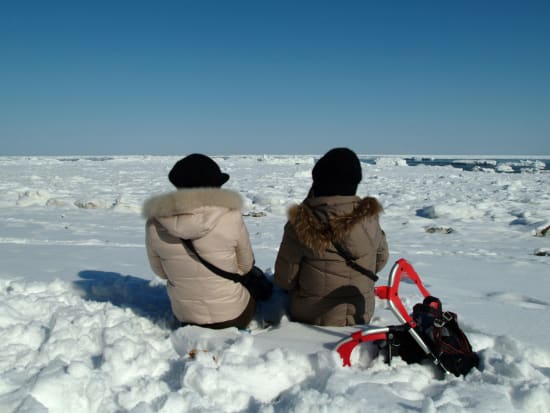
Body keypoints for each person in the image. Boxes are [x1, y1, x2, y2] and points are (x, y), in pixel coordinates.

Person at [274, 147, 389, 326]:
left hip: (313, 316)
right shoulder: (370, 219)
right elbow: (380, 262)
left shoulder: (302, 223)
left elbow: (284, 279)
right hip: (361, 312)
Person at [142, 154, 256, 329]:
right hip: (233, 316)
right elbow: (245, 266)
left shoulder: (155, 223)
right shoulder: (230, 216)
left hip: (186, 317)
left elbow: (161, 272)